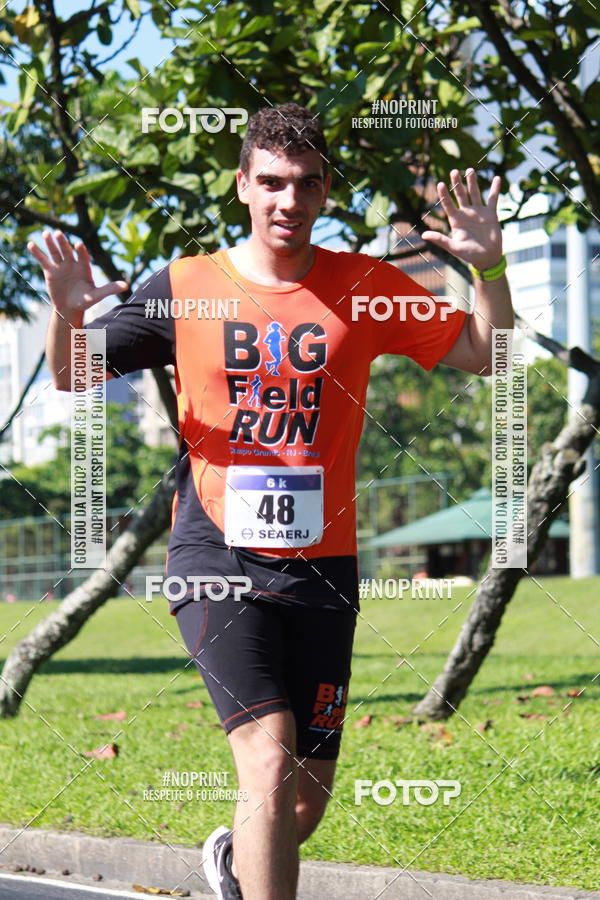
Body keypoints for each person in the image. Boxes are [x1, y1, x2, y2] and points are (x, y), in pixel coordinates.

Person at [29, 102, 513, 900]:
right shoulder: (186, 286)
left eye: (308, 184)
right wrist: (68, 313)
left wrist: (488, 271)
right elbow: (74, 372)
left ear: (326, 192)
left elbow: (487, 355)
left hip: (325, 567)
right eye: (273, 183)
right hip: (216, 556)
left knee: (301, 802)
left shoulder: (364, 284)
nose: (290, 200)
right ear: (243, 186)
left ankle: (229, 861)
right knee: (267, 752)